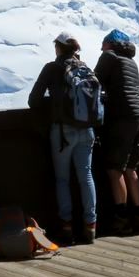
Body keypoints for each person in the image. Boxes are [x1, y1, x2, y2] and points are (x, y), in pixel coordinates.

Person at [28, 32, 98, 245]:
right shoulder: (85, 68)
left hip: (62, 131)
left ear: (58, 48)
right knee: (86, 176)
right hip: (87, 130)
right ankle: (90, 227)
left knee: (62, 179)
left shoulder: (52, 68)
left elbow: (34, 100)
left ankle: (66, 228)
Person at [94, 29, 139, 235]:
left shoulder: (109, 57)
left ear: (110, 44)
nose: (101, 47)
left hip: (123, 116)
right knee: (131, 168)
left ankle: (121, 219)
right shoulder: (130, 61)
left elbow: (93, 81)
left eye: (103, 43)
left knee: (114, 168)